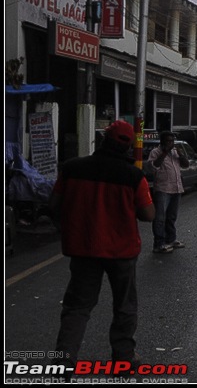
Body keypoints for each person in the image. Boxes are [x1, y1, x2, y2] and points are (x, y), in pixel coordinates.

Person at [49, 120, 155, 372]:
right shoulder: (133, 176)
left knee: (77, 307)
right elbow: (148, 215)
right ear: (129, 147)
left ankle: (64, 361)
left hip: (83, 250)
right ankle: (124, 357)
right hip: (122, 251)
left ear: (102, 139)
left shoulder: (72, 168)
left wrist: (66, 229)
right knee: (124, 306)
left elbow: (54, 206)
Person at [148, 131, 190, 254]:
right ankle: (159, 243)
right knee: (160, 217)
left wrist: (181, 155)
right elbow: (153, 166)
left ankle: (171, 239)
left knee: (171, 216)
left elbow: (186, 165)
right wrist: (165, 152)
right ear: (162, 142)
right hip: (163, 189)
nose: (171, 143)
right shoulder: (155, 152)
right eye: (168, 141)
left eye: (172, 141)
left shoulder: (175, 152)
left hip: (176, 188)